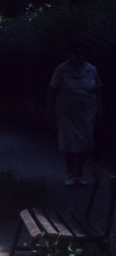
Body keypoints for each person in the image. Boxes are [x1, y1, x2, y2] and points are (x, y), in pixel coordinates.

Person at [48, 46, 102, 186]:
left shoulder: (91, 69)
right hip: (66, 112)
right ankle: (69, 173)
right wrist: (51, 109)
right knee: (69, 141)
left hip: (86, 111)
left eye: (81, 54)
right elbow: (52, 90)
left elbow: (98, 89)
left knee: (84, 142)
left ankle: (79, 174)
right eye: (75, 54)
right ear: (70, 55)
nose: (78, 57)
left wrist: (99, 107)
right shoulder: (61, 70)